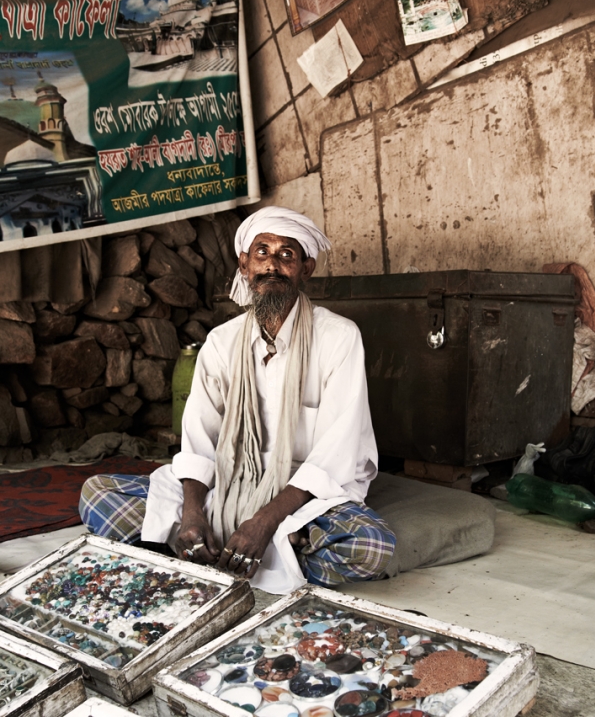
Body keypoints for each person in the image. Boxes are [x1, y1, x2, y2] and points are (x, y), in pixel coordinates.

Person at [79, 206, 395, 594]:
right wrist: (193, 514)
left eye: (286, 255)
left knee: (370, 546)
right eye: (262, 253)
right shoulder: (222, 342)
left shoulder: (339, 337)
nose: (272, 266)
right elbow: (199, 438)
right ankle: (235, 544)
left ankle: (268, 542)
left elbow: (337, 453)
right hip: (225, 486)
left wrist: (264, 522)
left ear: (305, 269)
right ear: (244, 265)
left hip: (301, 497)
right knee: (97, 496)